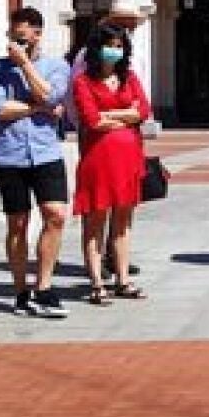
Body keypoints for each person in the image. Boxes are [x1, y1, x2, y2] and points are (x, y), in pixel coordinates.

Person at [0, 7, 74, 319]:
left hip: (46, 152)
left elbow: (52, 96)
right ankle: (21, 291)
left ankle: (44, 287)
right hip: (9, 154)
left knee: (56, 215)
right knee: (18, 223)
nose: (18, 44)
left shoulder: (56, 66)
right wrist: (39, 107)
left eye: (24, 38)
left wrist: (25, 67)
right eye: (14, 38)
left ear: (37, 34)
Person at [72, 22, 150, 305]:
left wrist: (112, 116)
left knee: (123, 222)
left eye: (119, 47)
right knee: (95, 221)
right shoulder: (83, 81)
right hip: (98, 161)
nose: (113, 52)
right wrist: (126, 115)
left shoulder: (129, 78)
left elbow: (144, 109)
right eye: (109, 46)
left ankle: (123, 278)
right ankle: (96, 282)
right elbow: (92, 120)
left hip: (128, 160)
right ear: (96, 48)